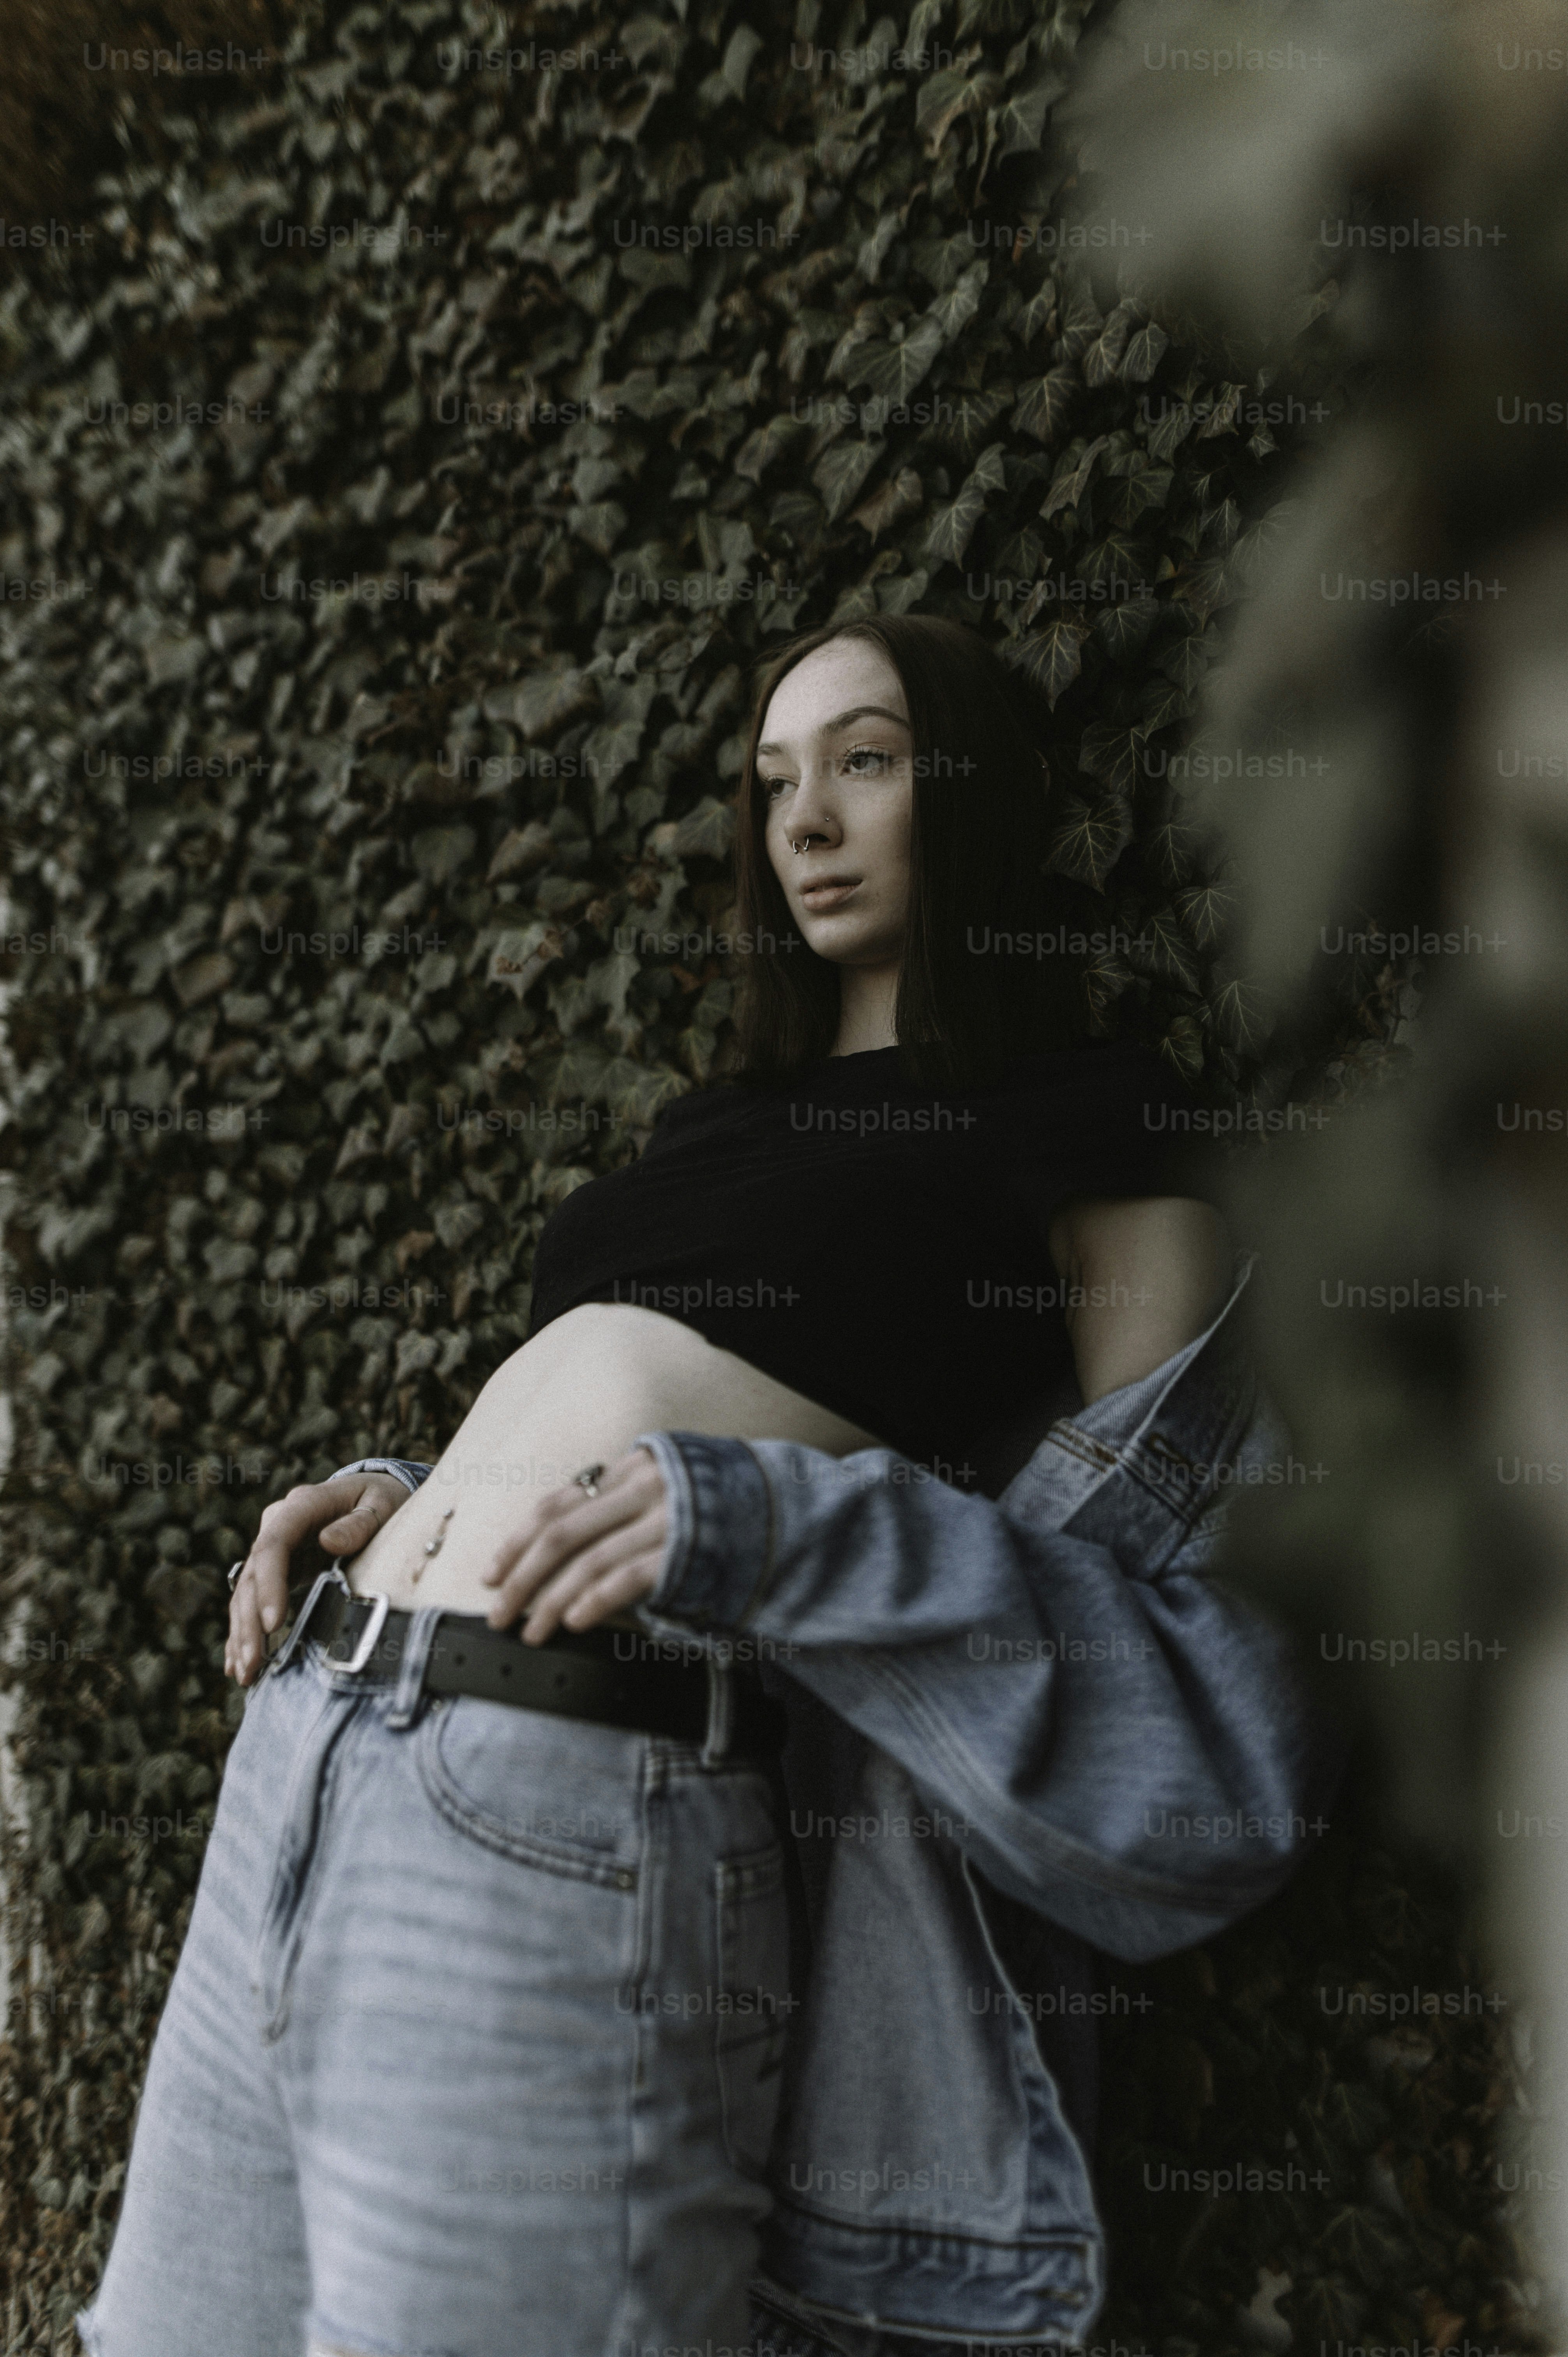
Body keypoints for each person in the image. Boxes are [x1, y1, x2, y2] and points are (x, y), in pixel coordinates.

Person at [77, 617, 1335, 2357]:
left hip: (571, 1794)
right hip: (312, 1746)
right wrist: (409, 1496)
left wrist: (769, 1529)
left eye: (866, 761)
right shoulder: (707, 1130)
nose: (802, 819)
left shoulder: (1090, 1128)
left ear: (970, 794)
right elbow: (620, 1417)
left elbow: (1201, 1723)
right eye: (770, 782)